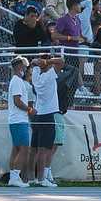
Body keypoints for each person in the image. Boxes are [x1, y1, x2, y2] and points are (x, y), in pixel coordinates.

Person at [30, 54, 65, 188]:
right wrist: (45, 61)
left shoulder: (36, 75)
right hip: (48, 115)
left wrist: (37, 63)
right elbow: (61, 61)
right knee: (44, 150)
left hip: (38, 116)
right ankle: (41, 179)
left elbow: (36, 66)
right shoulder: (50, 74)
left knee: (35, 150)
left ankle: (32, 178)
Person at [6, 56, 36, 187]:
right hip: (19, 120)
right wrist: (29, 109)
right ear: (19, 67)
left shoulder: (15, 81)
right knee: (24, 149)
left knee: (16, 149)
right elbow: (17, 101)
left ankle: (13, 177)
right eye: (24, 66)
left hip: (15, 120)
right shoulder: (17, 81)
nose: (26, 68)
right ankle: (14, 177)